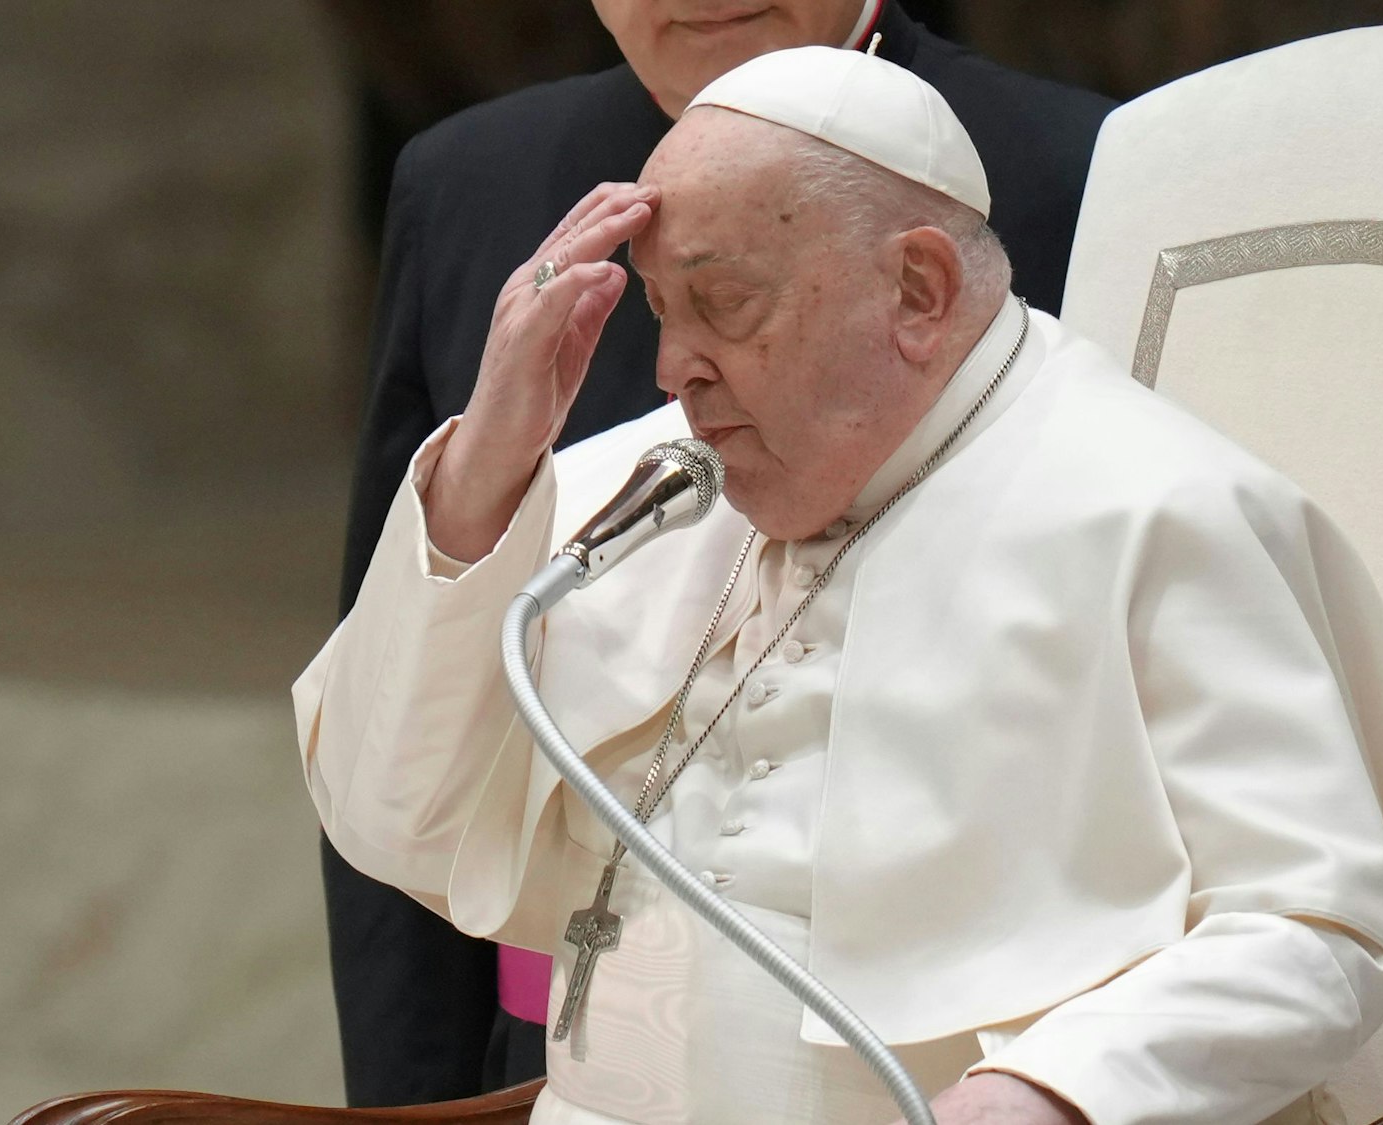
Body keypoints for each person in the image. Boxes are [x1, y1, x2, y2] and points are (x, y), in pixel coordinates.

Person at [301, 45, 1383, 1125]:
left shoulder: (1155, 508)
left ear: (920, 291)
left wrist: (1053, 1090)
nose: (675, 369)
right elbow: (386, 815)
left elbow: (1317, 933)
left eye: (724, 306)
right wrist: (480, 481)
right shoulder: (638, 487)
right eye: (664, 313)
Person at [327, 0, 1113, 1106]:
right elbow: (403, 690)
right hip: (555, 1047)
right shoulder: (471, 176)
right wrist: (404, 1101)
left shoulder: (1083, 166)